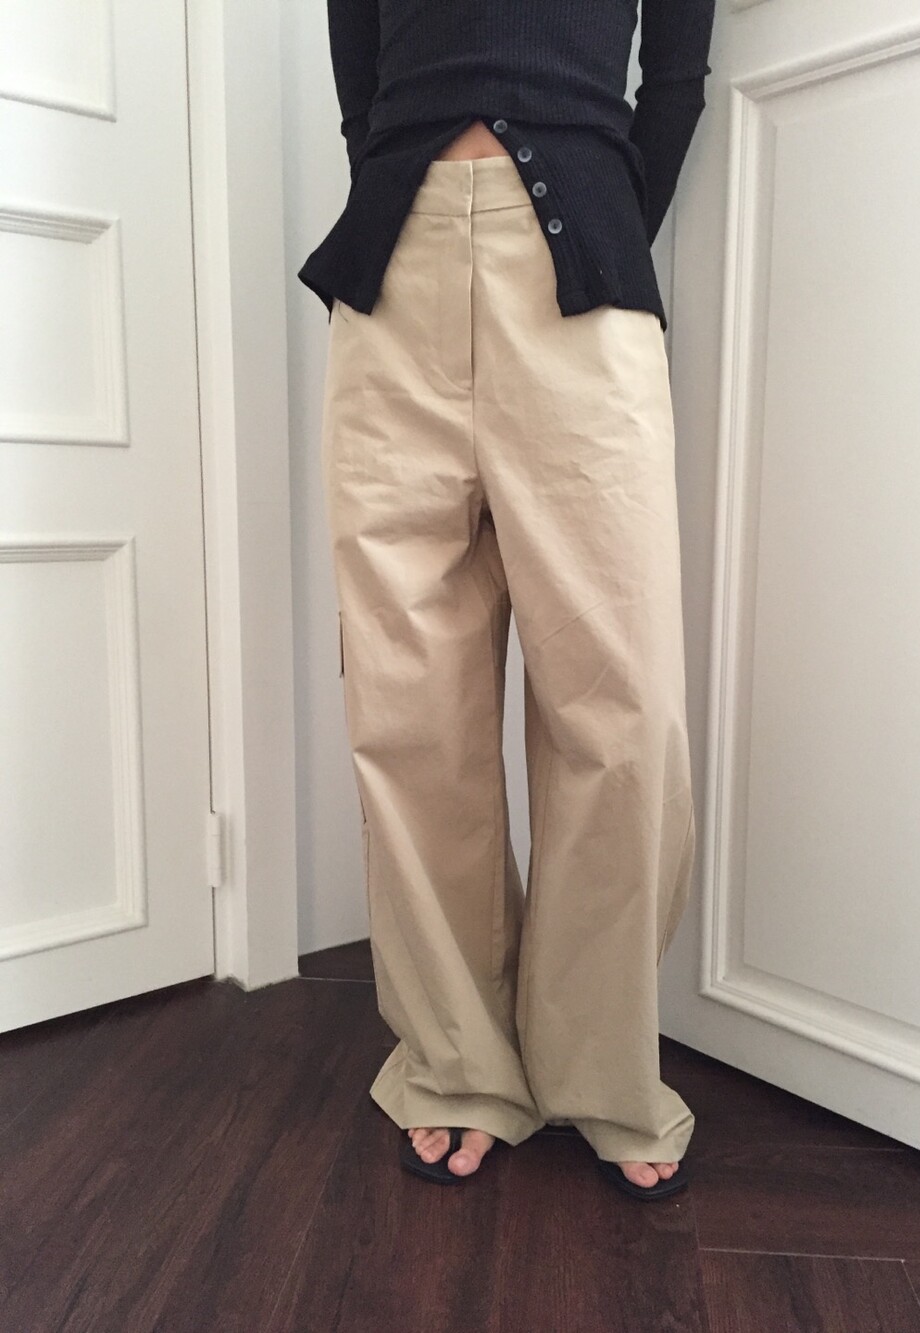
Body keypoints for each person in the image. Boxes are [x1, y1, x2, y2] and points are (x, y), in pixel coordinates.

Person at [300, 0, 716, 1200]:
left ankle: (600, 1062)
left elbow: (674, 79)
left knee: (621, 698)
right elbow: (361, 79)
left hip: (578, 265)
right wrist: (417, 203)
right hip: (394, 273)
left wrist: (590, 221)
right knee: (409, 707)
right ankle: (457, 1063)